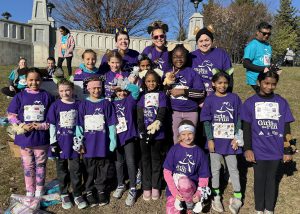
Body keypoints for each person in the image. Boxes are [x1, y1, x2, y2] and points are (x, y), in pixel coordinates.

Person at [241, 70, 295, 214]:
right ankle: (259, 209)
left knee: (271, 179)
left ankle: (269, 209)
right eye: (266, 83)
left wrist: (288, 150)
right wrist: (248, 148)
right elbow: (246, 128)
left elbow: (286, 127)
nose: (269, 87)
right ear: (259, 82)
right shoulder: (250, 102)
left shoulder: (281, 102)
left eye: (273, 84)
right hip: (258, 149)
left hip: (275, 150)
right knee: (259, 179)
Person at [200, 70, 243, 214]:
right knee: (215, 169)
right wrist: (210, 139)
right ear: (213, 84)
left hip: (231, 142)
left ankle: (238, 197)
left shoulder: (234, 98)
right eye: (219, 83)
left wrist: (236, 137)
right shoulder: (210, 100)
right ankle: (216, 196)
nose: (223, 85)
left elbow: (238, 119)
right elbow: (206, 120)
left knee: (233, 169)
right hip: (216, 142)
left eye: (225, 82)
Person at [7, 68, 53, 197]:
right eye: (31, 80)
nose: (34, 82)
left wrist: (42, 126)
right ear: (25, 80)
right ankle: (30, 190)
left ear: (42, 80)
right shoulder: (19, 96)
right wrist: (21, 125)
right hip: (25, 138)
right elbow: (11, 115)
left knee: (41, 164)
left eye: (37, 79)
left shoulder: (47, 96)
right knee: (28, 166)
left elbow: (52, 118)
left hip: (41, 138)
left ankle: (39, 189)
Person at [75, 77, 117, 207]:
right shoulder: (83, 104)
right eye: (94, 88)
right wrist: (79, 143)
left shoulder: (106, 104)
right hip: (88, 144)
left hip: (102, 143)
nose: (96, 90)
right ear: (88, 89)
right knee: (89, 168)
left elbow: (111, 124)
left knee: (103, 167)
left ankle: (100, 189)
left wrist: (113, 140)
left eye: (99, 87)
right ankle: (88, 190)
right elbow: (79, 126)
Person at [47, 79, 87, 210]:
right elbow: (52, 124)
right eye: (62, 91)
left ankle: (77, 193)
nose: (65, 93)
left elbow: (82, 123)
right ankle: (64, 193)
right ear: (58, 92)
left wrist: (80, 140)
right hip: (60, 143)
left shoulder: (79, 104)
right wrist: (53, 142)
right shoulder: (55, 105)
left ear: (73, 90)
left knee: (76, 169)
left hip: (75, 143)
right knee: (62, 169)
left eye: (68, 90)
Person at [163, 120, 211, 214]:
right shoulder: (174, 150)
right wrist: (174, 192)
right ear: (179, 135)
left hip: (191, 188)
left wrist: (199, 193)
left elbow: (204, 176)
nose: (187, 137)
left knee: (184, 181)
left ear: (194, 133)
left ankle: (190, 205)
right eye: (183, 134)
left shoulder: (199, 153)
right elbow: (167, 172)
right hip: (175, 189)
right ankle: (180, 202)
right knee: (170, 212)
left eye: (190, 134)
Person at [163, 44, 206, 144]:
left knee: (189, 139)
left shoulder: (192, 73)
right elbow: (163, 94)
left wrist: (183, 91)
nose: (178, 59)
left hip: (191, 112)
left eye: (181, 56)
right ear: (171, 58)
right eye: (175, 57)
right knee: (176, 139)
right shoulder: (168, 73)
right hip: (174, 112)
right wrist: (169, 84)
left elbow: (201, 93)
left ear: (186, 57)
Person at [137, 70, 168, 201]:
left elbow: (161, 113)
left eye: (153, 81)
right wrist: (143, 131)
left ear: (158, 82)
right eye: (148, 81)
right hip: (144, 134)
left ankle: (156, 186)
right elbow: (139, 116)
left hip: (158, 134)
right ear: (145, 83)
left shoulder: (161, 95)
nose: (151, 83)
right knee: (145, 160)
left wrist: (154, 129)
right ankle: (146, 186)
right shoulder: (142, 97)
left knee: (156, 160)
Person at [111, 79, 140, 206]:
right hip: (116, 137)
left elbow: (136, 90)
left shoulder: (130, 101)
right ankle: (121, 184)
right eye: (119, 91)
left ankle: (133, 188)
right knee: (118, 162)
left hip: (129, 136)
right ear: (115, 92)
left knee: (131, 161)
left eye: (123, 91)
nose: (122, 93)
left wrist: (123, 84)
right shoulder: (111, 103)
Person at [191, 26, 233, 96]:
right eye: (201, 41)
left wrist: (226, 96)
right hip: (196, 96)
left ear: (212, 40)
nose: (204, 44)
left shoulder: (221, 54)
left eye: (207, 40)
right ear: (197, 43)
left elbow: (229, 77)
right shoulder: (191, 56)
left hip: (216, 96)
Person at [243, 22, 272, 92]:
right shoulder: (252, 45)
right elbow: (246, 64)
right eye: (264, 33)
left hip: (265, 78)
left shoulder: (268, 46)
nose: (267, 35)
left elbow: (267, 61)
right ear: (258, 32)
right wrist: (263, 69)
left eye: (269, 34)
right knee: (264, 98)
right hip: (255, 80)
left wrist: (272, 67)